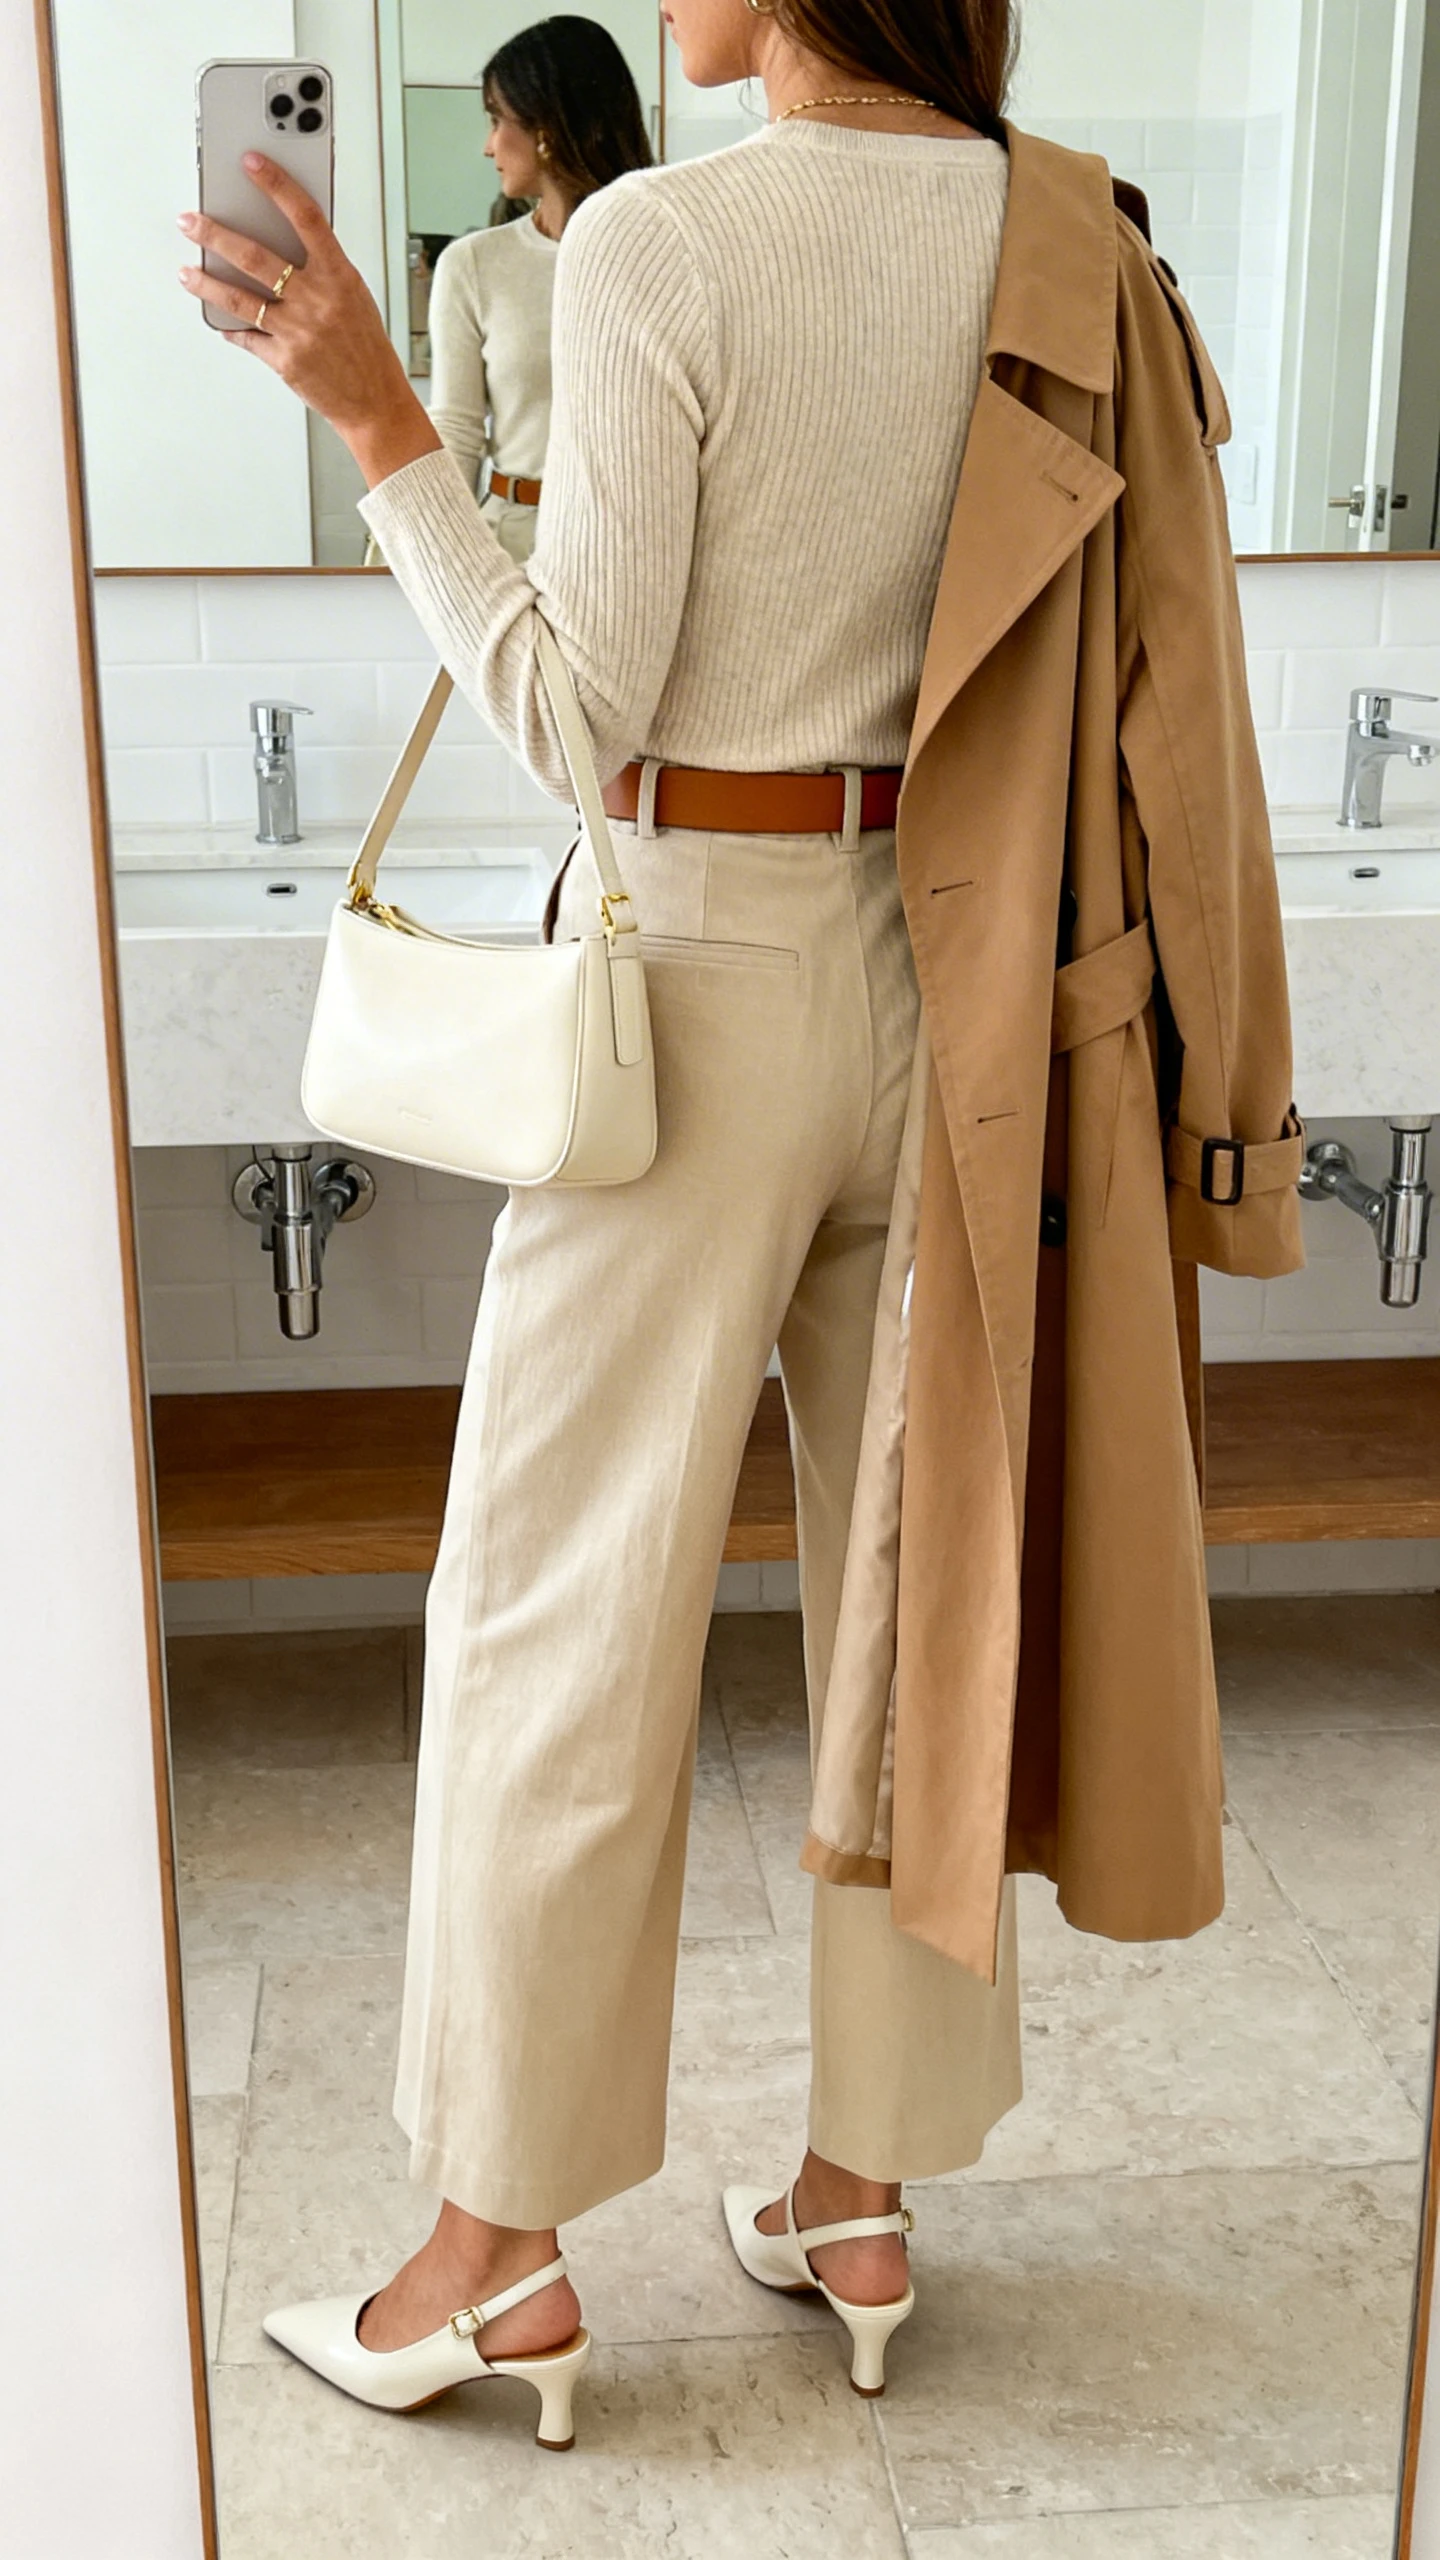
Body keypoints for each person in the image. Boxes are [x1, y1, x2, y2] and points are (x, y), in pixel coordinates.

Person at [178, 0, 1302, 2451]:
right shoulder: (1066, 235)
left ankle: (492, 2253)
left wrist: (376, 426)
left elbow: (574, 712)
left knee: (554, 1604)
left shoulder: (658, 246)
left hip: (697, 968)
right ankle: (857, 2192)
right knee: (915, 1590)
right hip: (971, 975)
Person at [428, 17, 654, 564]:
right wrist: (438, 558)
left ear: (545, 126)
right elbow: (456, 430)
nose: (488, 147)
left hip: (634, 540)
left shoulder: (660, 251)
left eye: (496, 120)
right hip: (512, 543)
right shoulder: (474, 263)